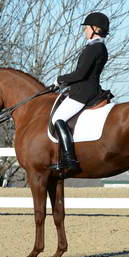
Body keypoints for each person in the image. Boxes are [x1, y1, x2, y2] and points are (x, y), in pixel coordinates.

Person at [50, 12, 110, 172]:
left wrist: (59, 80)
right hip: (87, 88)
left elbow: (80, 74)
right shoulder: (97, 47)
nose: (84, 31)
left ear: (95, 29)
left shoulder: (95, 48)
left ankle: (70, 160)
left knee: (58, 118)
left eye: (86, 28)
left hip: (84, 92)